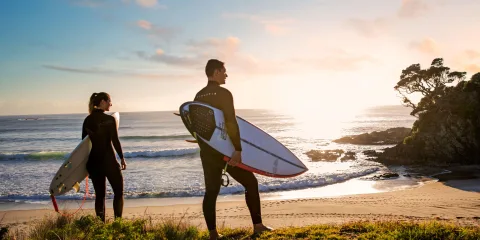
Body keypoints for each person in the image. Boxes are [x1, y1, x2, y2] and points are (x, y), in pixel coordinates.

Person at [194, 59, 272, 239]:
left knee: (211, 191)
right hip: (225, 152)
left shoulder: (198, 96)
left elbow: (200, 128)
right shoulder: (224, 93)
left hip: (208, 152)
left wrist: (205, 147)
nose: (226, 74)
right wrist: (237, 149)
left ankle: (213, 234)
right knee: (251, 183)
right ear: (215, 72)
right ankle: (258, 226)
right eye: (223, 71)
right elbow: (230, 122)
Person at [82, 92, 127, 222]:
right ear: (102, 101)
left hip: (94, 163)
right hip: (109, 161)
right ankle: (117, 223)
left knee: (100, 195)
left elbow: (83, 145)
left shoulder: (87, 120)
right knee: (118, 192)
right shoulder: (109, 120)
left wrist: (85, 168)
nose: (110, 104)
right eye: (109, 101)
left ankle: (101, 226)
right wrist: (122, 158)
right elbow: (115, 141)